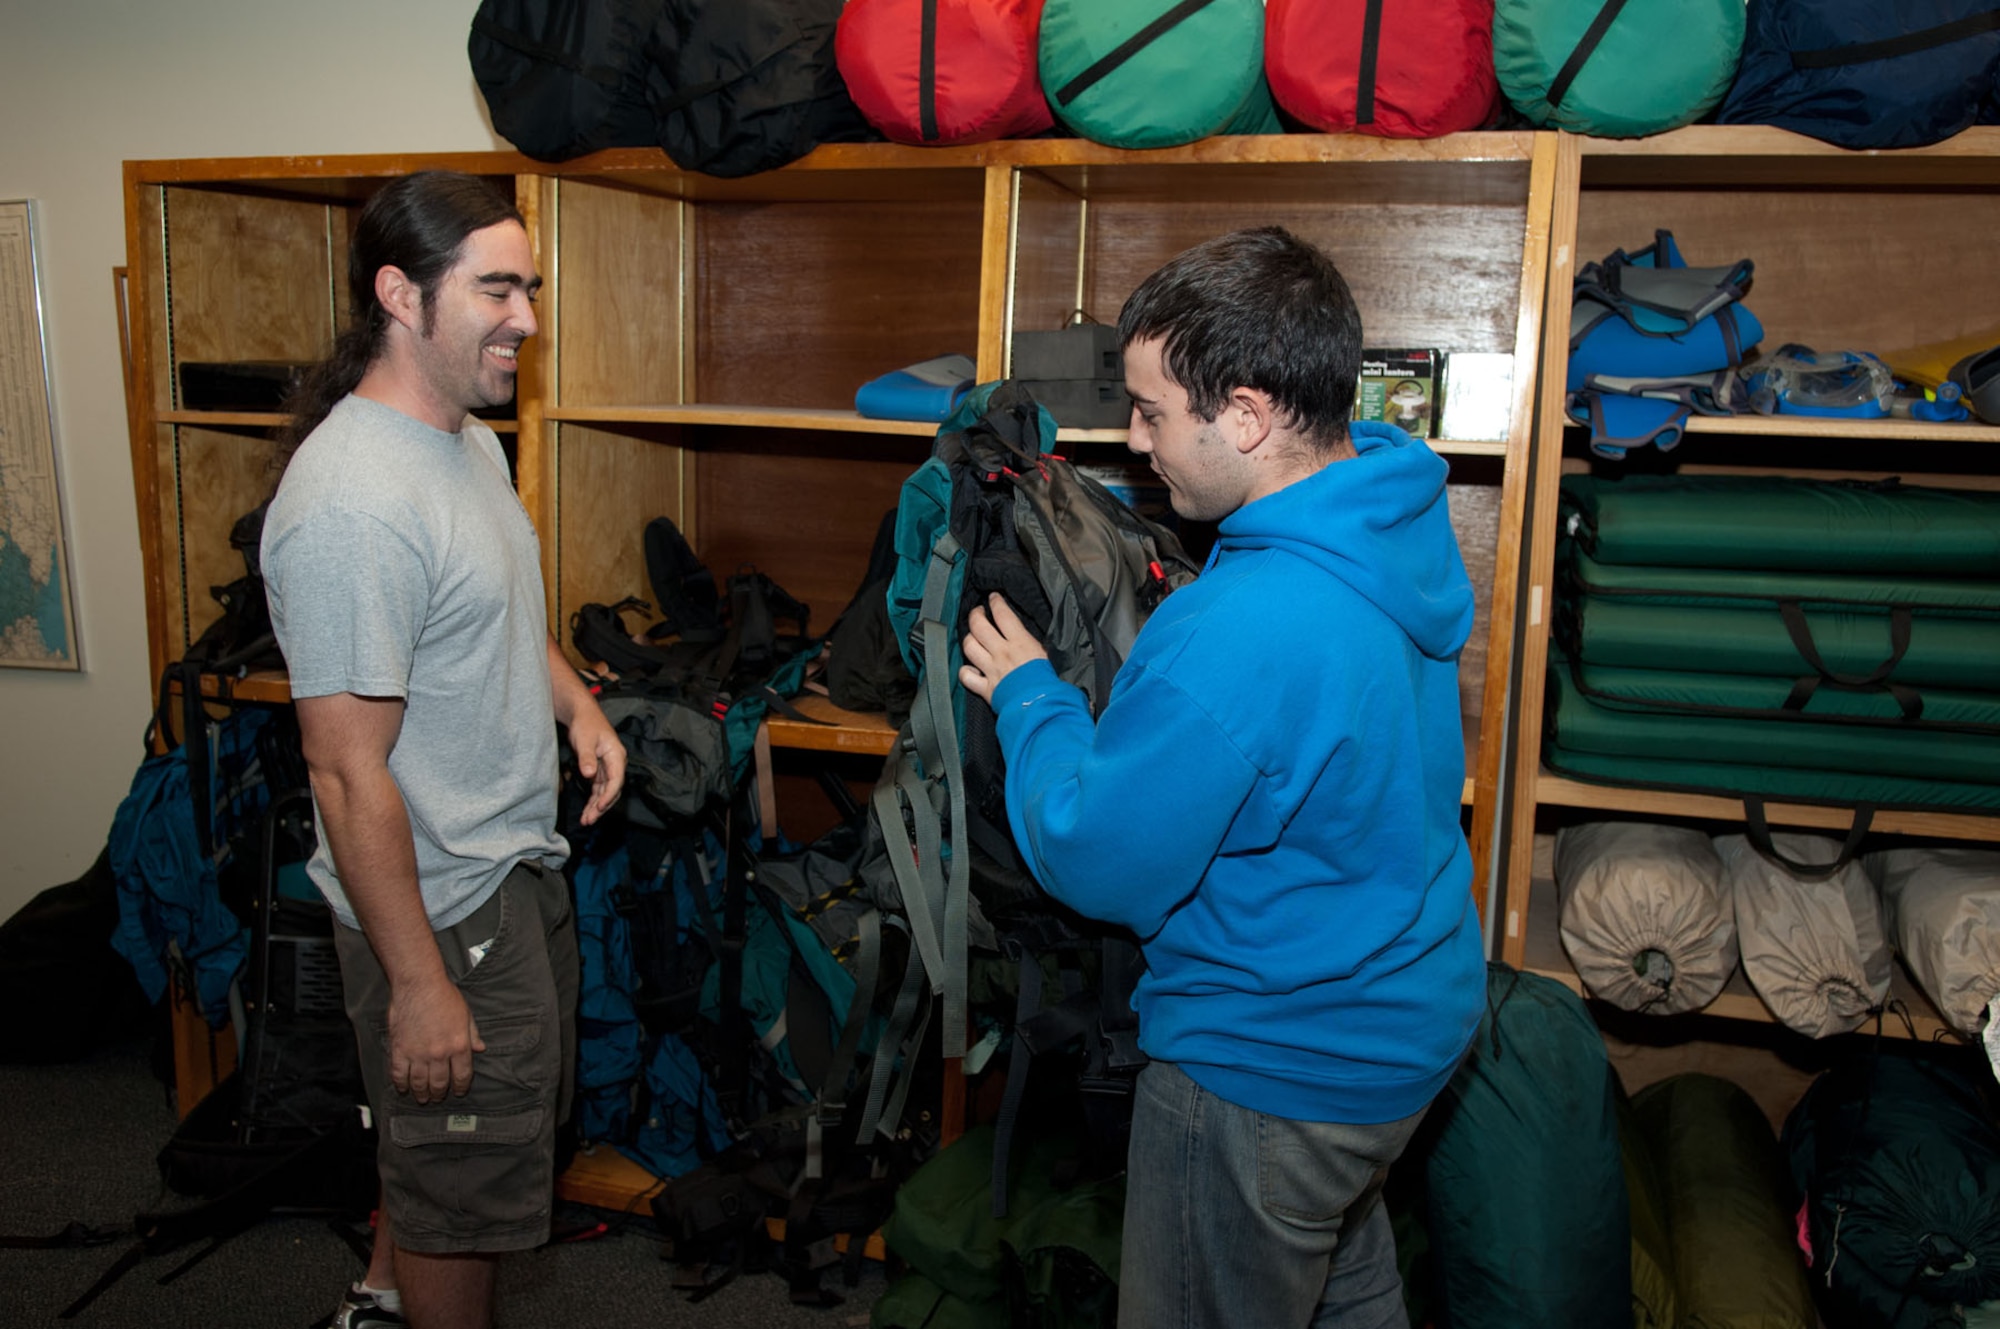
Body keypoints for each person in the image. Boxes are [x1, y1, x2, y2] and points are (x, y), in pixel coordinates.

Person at [958, 226, 1485, 1329]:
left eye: (1150, 412)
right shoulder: (1390, 516)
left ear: (1245, 415)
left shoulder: (1242, 624)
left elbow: (1095, 858)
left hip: (1272, 1065)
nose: (1131, 437)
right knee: (1337, 1285)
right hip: (1400, 1022)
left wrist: (1031, 699)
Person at [261, 171, 625, 1329]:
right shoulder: (355, 505)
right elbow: (342, 770)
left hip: (502, 866)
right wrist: (417, 984)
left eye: (529, 288)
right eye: (497, 290)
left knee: (442, 1146)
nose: (526, 318)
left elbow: (491, 610)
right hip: (440, 909)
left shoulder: (463, 442)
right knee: (462, 1182)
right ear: (399, 296)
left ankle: (378, 1294)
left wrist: (575, 703)